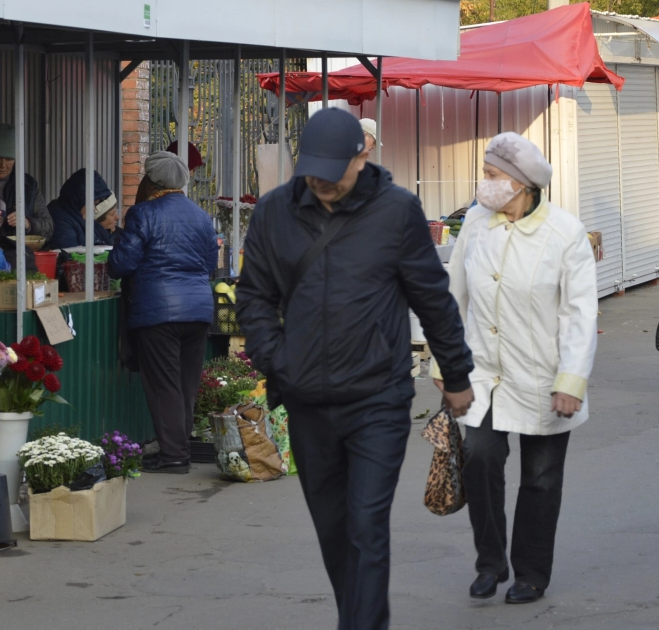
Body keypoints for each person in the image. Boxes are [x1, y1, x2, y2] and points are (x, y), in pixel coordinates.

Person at [236, 108, 474, 630]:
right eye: (312, 169)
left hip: (377, 400)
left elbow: (432, 299)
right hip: (307, 402)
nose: (321, 181)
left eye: (333, 169)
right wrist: (277, 358)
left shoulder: (396, 211)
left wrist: (455, 375)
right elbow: (253, 295)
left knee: (366, 526)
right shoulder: (277, 212)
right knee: (334, 530)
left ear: (362, 155)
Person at [431, 132, 597, 605]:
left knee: (541, 479)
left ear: (521, 183)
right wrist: (444, 362)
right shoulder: (477, 226)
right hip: (483, 374)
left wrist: (571, 380)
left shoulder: (564, 233)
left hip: (544, 377)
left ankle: (531, 573)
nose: (483, 184)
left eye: (491, 176)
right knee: (480, 458)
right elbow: (452, 295)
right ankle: (490, 562)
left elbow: (580, 313)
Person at [109, 152, 218, 474]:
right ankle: (177, 449)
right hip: (198, 308)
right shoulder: (201, 216)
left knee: (165, 386)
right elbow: (210, 263)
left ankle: (173, 456)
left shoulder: (142, 213)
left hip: (158, 311)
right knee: (185, 384)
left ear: (151, 181)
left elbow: (122, 265)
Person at [46, 169, 118, 250]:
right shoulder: (60, 218)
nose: (94, 208)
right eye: (93, 203)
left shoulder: (78, 214)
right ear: (81, 199)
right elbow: (69, 255)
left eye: (95, 204)